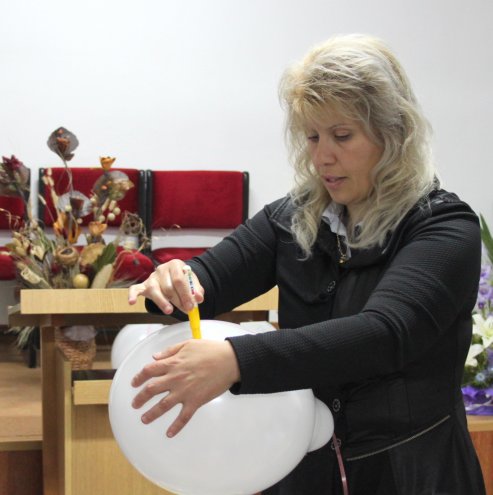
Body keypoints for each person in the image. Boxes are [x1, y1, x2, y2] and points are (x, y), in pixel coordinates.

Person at [128, 34, 486, 494]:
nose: (322, 156)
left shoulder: (444, 227)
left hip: (412, 474)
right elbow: (209, 279)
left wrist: (237, 360)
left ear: (394, 133)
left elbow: (385, 334)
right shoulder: (291, 218)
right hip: (304, 470)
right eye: (312, 136)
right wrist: (175, 281)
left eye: (342, 136)